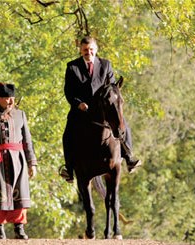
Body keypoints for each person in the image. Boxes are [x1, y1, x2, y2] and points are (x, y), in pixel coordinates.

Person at [60, 36, 141, 183]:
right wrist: (78, 104)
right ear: (81, 50)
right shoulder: (72, 67)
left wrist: (110, 102)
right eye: (85, 50)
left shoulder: (105, 64)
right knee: (67, 133)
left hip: (102, 109)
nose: (88, 52)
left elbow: (112, 87)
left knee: (123, 124)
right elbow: (69, 91)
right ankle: (69, 169)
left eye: (91, 49)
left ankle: (129, 157)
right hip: (81, 110)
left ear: (95, 50)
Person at [0, 83, 37, 239]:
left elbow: (27, 141)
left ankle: (19, 228)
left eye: (12, 98)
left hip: (18, 159)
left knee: (20, 192)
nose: (10, 101)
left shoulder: (21, 114)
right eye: (6, 98)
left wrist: (32, 163)